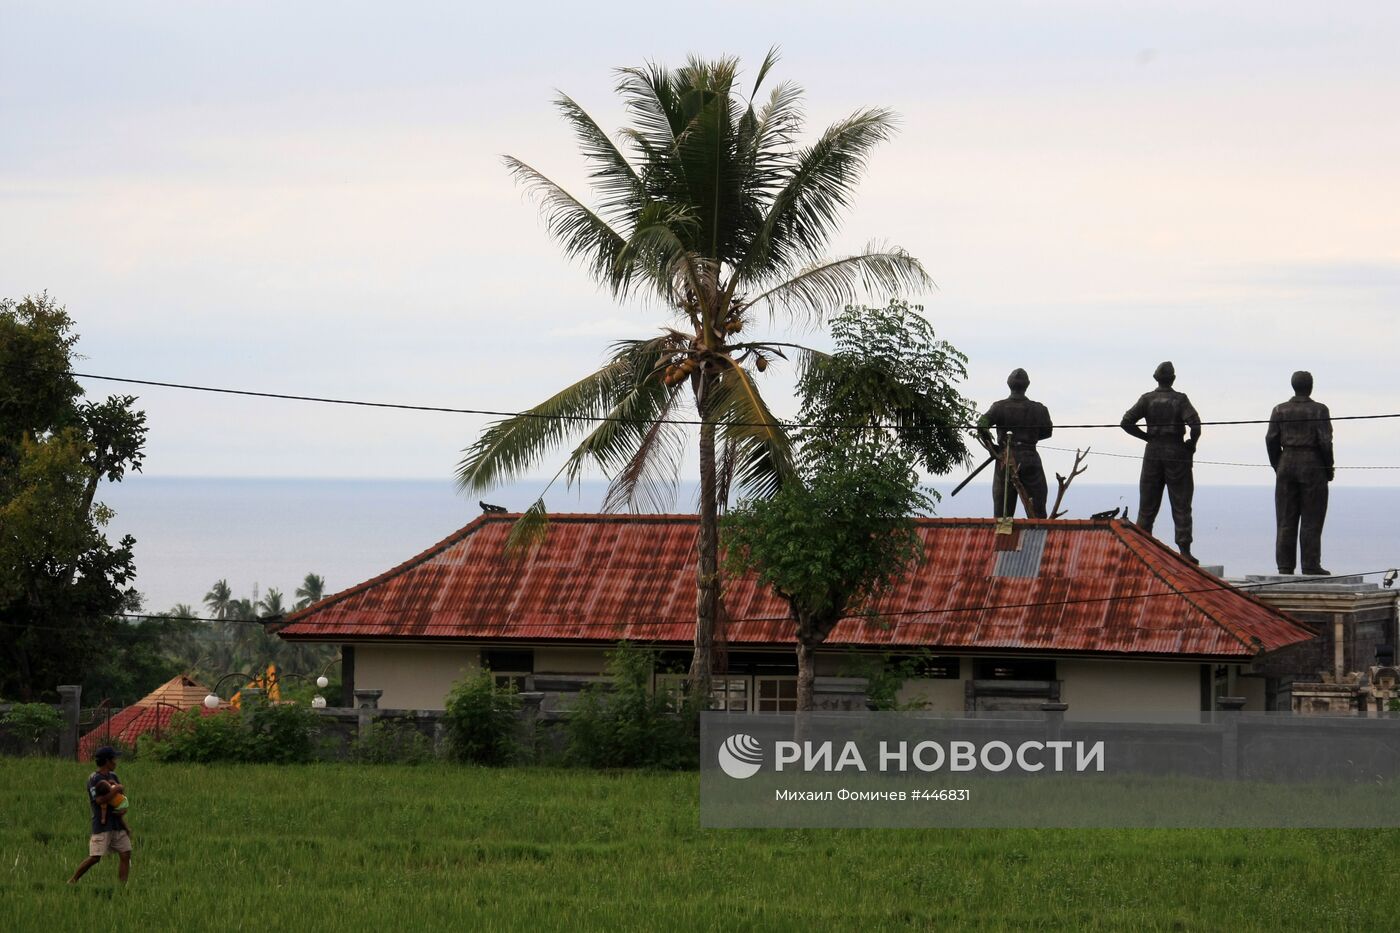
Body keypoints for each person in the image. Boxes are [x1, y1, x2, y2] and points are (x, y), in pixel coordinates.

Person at [1120, 361, 1203, 564]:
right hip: (1176, 451)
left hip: (1153, 453)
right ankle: (1184, 551)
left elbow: (1126, 422)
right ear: (1173, 378)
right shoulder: (1180, 400)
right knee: (1181, 504)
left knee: (1147, 506)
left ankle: (1140, 551)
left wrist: (1146, 437)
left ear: (1156, 378)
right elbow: (1195, 425)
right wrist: (1191, 444)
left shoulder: (1147, 399)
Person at [1266, 370, 1333, 575]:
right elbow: (1324, 441)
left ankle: (1285, 565)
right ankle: (1310, 565)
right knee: (1312, 518)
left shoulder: (1279, 410)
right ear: (1310, 387)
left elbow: (1271, 439)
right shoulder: (1319, 410)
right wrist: (1328, 467)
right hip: (1312, 464)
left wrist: (1278, 464)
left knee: (1285, 519)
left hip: (1286, 462)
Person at [977, 368, 1054, 518]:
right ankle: (1038, 536)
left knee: (1002, 514)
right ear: (1028, 385)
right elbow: (1048, 432)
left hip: (1005, 460)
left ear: (1008, 384)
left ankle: (1003, 538)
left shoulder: (999, 407)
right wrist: (1030, 440)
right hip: (1031, 459)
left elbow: (981, 425)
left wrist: (994, 449)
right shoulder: (1039, 409)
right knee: (1037, 514)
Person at [68, 745, 131, 885]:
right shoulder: (94, 779)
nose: (116, 762)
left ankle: (122, 888)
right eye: (114, 759)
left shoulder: (113, 776)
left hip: (117, 823)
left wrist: (123, 808)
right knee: (95, 857)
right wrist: (116, 790)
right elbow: (99, 800)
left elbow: (120, 796)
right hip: (102, 825)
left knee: (126, 853)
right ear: (107, 761)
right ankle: (73, 880)